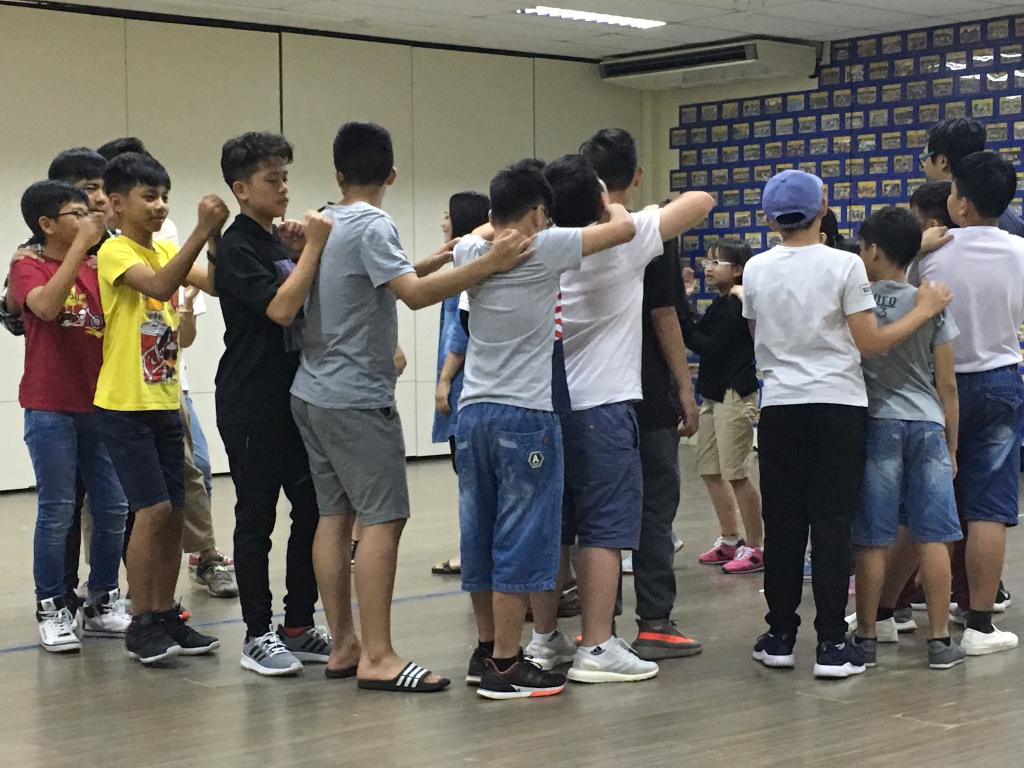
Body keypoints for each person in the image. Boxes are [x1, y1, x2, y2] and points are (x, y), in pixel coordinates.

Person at [290, 122, 534, 694]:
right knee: (383, 518)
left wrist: (435, 259)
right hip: (356, 396)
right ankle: (378, 656)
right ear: (392, 175)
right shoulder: (373, 224)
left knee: (334, 516)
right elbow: (415, 297)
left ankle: (345, 645)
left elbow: (376, 282)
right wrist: (490, 263)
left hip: (314, 391)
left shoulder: (325, 220)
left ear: (338, 173)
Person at [744, 169, 951, 679]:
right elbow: (871, 342)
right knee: (833, 524)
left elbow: (757, 332)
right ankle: (833, 644)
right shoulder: (845, 264)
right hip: (838, 406)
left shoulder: (755, 268)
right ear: (823, 208)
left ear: (769, 219)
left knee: (783, 524)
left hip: (780, 407)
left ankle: (780, 635)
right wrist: (923, 309)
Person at [525, 147, 713, 680]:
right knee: (604, 530)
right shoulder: (625, 243)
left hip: (547, 406)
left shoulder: (537, 249)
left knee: (555, 530)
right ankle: (597, 645)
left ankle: (544, 639)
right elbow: (700, 200)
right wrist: (619, 210)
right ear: (601, 196)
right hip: (603, 409)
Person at [454, 156, 637, 699]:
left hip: (473, 413)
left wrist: (495, 225)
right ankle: (508, 665)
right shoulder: (547, 245)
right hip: (525, 415)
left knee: (480, 533)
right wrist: (608, 200)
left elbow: (480, 231)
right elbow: (622, 229)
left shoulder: (469, 252)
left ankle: (485, 651)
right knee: (520, 536)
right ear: (538, 213)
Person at [95, 151, 226, 665]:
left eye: (164, 197)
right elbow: (159, 285)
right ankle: (141, 620)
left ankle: (167, 614)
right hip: (123, 406)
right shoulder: (115, 251)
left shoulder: (169, 248)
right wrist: (200, 229)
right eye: (148, 197)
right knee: (150, 510)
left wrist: (215, 238)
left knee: (174, 513)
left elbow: (219, 281)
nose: (160, 205)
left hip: (165, 402)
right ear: (117, 203)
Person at [214, 131, 332, 676]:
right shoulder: (237, 245)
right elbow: (282, 309)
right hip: (251, 400)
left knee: (311, 511)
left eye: (286, 177)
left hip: (296, 397)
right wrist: (313, 250)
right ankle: (256, 633)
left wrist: (300, 252)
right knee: (256, 518)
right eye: (271, 179)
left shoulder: (275, 241)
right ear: (241, 188)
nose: (283, 188)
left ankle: (297, 624)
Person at [844, 206, 965, 670]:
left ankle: (867, 636)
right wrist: (952, 445)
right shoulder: (929, 301)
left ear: (873, 250)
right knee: (934, 535)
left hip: (878, 423)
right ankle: (939, 641)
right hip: (928, 424)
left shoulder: (855, 302)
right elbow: (947, 384)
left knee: (874, 536)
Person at [11, 181, 130, 652]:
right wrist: (82, 247)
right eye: (75, 214)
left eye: (88, 213)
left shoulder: (101, 267)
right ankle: (53, 606)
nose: (87, 219)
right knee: (58, 509)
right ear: (46, 224)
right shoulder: (27, 265)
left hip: (101, 405)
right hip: (50, 407)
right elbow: (44, 306)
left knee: (113, 507)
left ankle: (102, 600)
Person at [914, 151, 1024, 655]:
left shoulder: (933, 253)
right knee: (990, 507)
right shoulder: (1019, 251)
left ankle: (889, 610)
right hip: (1001, 379)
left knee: (919, 499)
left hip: (937, 383)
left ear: (960, 204)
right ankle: (980, 623)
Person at [681, 240, 763, 574]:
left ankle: (756, 546)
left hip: (734, 395)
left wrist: (677, 319)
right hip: (714, 395)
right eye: (708, 262)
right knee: (709, 469)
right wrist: (684, 302)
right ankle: (730, 539)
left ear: (739, 269)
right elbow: (698, 331)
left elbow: (709, 347)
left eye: (718, 263)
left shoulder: (735, 304)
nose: (709, 268)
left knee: (737, 473)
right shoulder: (721, 302)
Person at [431, 191, 491, 577]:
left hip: (463, 387)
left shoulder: (464, 269)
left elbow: (461, 335)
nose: (442, 222)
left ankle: (474, 554)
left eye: (447, 215)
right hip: (469, 385)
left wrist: (443, 380)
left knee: (470, 478)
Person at [921, 118, 1024, 237]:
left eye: (925, 158)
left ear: (942, 161)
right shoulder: (1001, 213)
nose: (924, 165)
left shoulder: (995, 222)